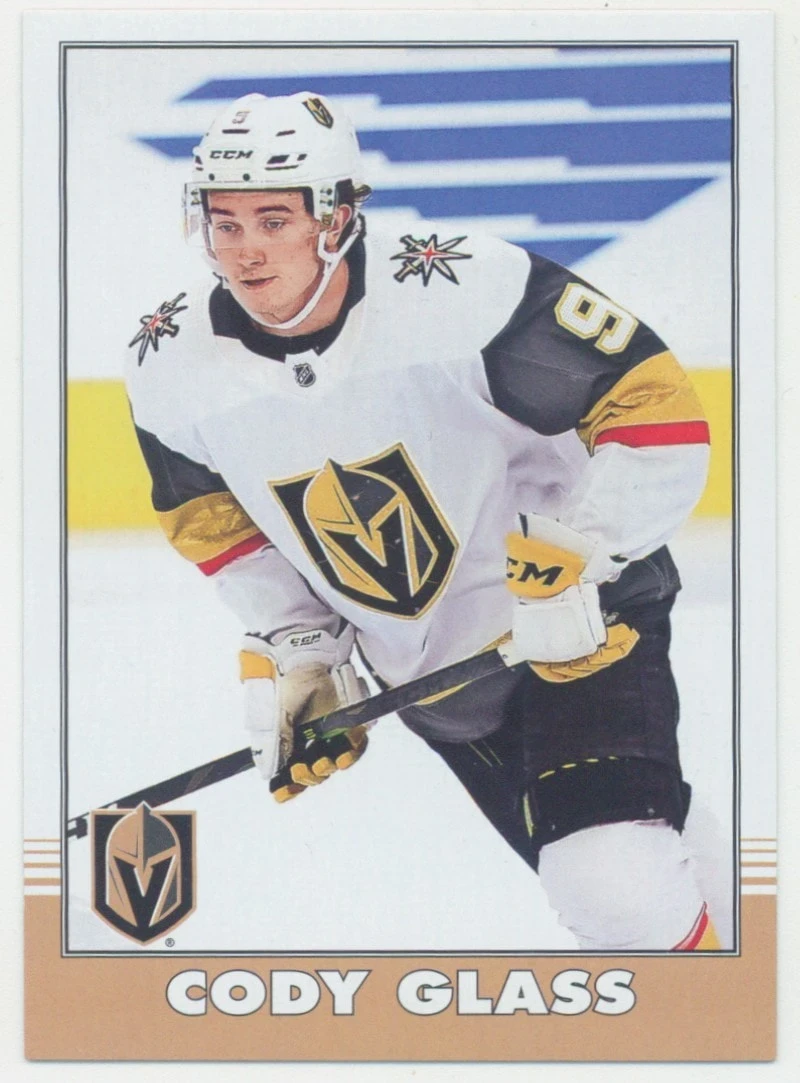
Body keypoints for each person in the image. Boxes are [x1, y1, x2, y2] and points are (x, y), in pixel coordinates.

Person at [125, 90, 726, 951]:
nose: (244, 249)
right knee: (647, 863)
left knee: (611, 887)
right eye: (225, 223)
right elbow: (217, 526)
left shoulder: (465, 289)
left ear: (336, 218)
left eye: (273, 220)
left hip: (589, 629)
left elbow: (652, 405)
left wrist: (588, 551)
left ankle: (714, 1021)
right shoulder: (169, 363)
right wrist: (305, 648)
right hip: (445, 688)